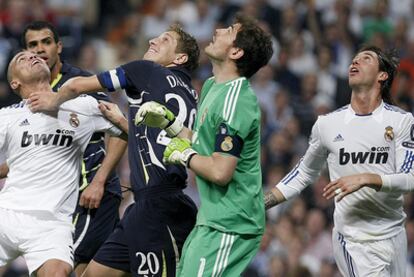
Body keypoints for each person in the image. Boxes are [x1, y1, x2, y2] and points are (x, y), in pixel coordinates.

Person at [28, 24, 200, 276]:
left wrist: (53, 99)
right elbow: (160, 138)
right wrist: (122, 122)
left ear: (180, 58)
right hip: (146, 205)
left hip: (158, 205)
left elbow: (78, 85)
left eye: (165, 40)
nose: (153, 39)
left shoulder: (146, 70)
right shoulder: (191, 93)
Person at [135, 14, 273, 276]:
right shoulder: (212, 86)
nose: (219, 29)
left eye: (229, 30)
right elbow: (199, 140)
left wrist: (185, 156)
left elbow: (221, 172)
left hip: (232, 225)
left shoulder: (237, 100)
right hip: (211, 220)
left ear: (236, 51)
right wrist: (170, 123)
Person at [264, 45, 413, 277]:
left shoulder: (402, 121)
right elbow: (304, 172)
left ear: (382, 75)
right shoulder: (327, 124)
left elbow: (410, 177)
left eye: (365, 59)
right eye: (353, 59)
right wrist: (265, 201)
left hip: (394, 232)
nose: (355, 62)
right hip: (354, 239)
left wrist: (366, 178)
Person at [0, 51, 126, 276]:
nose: (33, 57)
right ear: (14, 83)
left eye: (34, 55)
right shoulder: (7, 116)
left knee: (59, 272)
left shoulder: (83, 105)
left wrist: (100, 179)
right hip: (7, 213)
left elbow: (123, 131)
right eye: (22, 58)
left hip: (53, 221)